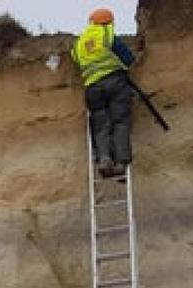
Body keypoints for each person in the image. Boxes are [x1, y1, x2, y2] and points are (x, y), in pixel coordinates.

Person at [71, 8, 137, 178]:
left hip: (92, 88)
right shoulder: (106, 33)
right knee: (120, 121)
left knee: (100, 125)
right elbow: (128, 58)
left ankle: (104, 159)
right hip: (115, 82)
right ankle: (121, 163)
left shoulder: (79, 43)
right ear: (108, 21)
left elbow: (75, 59)